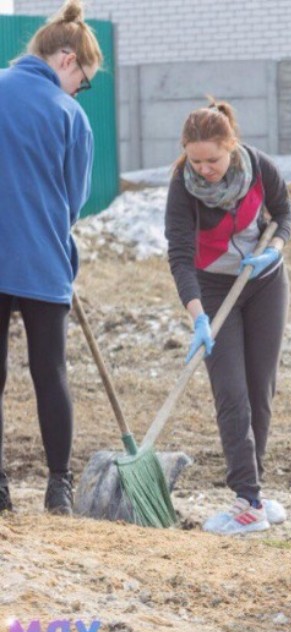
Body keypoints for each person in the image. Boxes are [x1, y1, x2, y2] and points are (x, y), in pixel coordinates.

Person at [164, 99, 291, 535]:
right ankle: (247, 498)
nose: (204, 169)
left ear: (231, 146)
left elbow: (285, 216)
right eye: (195, 160)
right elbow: (180, 257)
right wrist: (197, 316)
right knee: (231, 392)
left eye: (213, 159)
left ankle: (252, 498)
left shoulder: (259, 167)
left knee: (260, 389)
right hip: (215, 289)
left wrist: (272, 252)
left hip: (265, 282)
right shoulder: (182, 188)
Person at [0, 0, 102, 516]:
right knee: (50, 371)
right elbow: (73, 201)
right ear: (66, 60)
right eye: (82, 80)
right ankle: (58, 488)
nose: (79, 90)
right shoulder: (70, 116)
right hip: (42, 260)